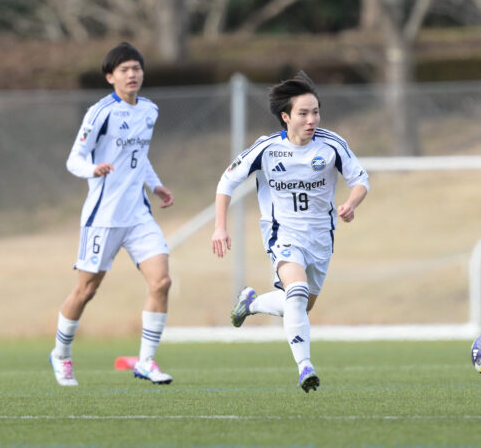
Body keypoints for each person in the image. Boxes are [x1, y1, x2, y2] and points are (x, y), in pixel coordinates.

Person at [211, 71, 369, 392]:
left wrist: (351, 203)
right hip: (282, 233)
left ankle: (252, 303)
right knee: (295, 291)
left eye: (316, 112)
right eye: (303, 113)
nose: (312, 120)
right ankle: (305, 367)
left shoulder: (332, 145)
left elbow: (361, 180)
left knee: (301, 306)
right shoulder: (267, 149)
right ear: (286, 117)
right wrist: (219, 227)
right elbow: (227, 181)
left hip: (321, 238)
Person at [50, 42, 174, 386]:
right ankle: (61, 354)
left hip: (138, 215)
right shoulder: (100, 112)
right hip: (103, 217)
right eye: (124, 70)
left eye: (136, 68)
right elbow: (74, 159)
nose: (132, 74)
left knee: (161, 282)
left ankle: (146, 362)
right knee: (85, 291)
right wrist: (93, 170)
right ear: (110, 77)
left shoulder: (149, 110)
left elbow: (139, 156)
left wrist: (156, 185)